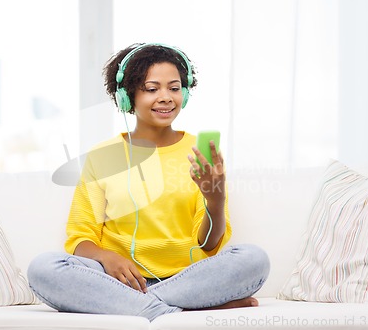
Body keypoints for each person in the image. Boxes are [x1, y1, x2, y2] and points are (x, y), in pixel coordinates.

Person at [27, 43, 270, 321]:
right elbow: (81, 238)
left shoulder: (200, 153)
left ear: (185, 94)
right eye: (152, 89)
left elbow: (207, 246)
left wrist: (216, 199)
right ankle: (182, 310)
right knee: (44, 268)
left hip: (188, 279)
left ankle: (143, 306)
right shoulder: (103, 156)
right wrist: (108, 258)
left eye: (174, 88)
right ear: (126, 97)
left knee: (254, 259)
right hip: (118, 280)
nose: (166, 97)